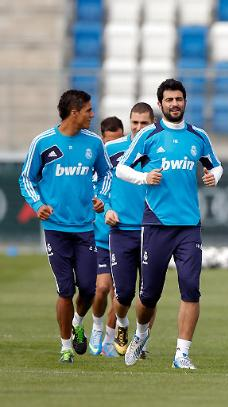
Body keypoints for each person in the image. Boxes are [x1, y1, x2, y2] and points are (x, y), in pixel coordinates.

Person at [116, 79, 223, 369]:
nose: (174, 104)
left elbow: (215, 164)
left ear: (185, 102)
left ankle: (182, 354)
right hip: (156, 225)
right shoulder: (149, 135)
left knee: (191, 288)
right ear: (160, 104)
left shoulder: (198, 136)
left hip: (189, 226)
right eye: (169, 100)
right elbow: (122, 168)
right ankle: (140, 335)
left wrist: (215, 176)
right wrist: (144, 177)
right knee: (148, 295)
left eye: (179, 99)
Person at [18, 90, 112, 363]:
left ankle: (77, 323)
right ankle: (66, 346)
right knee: (65, 290)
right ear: (75, 112)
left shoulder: (94, 143)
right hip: (56, 229)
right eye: (88, 110)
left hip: (84, 228)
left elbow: (107, 174)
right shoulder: (43, 142)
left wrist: (102, 198)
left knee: (88, 289)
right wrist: (38, 205)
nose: (92, 115)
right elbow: (26, 179)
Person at [105, 103, 157, 359]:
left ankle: (142, 340)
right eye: (134, 123)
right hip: (122, 230)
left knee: (149, 294)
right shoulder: (112, 149)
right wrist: (106, 208)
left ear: (152, 123)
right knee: (123, 293)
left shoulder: (161, 149)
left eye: (143, 123)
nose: (138, 128)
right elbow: (97, 183)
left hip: (153, 230)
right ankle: (123, 325)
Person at [89, 116, 125, 357]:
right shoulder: (93, 165)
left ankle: (109, 342)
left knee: (119, 293)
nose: (114, 146)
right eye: (110, 141)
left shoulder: (127, 166)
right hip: (100, 236)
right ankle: (96, 327)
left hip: (122, 235)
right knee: (101, 288)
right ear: (103, 139)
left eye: (119, 140)